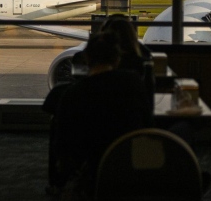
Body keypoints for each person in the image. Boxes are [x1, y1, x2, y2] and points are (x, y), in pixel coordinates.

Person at [53, 31, 152, 198]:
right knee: (182, 129)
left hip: (90, 166)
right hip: (131, 160)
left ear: (87, 59)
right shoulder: (133, 83)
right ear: (117, 59)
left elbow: (62, 142)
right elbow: (148, 123)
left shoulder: (73, 93)